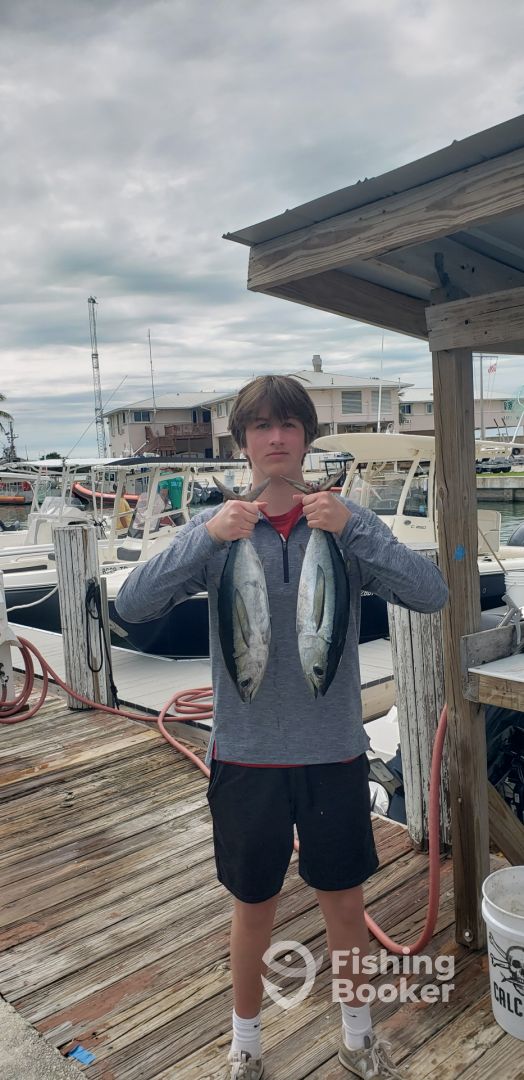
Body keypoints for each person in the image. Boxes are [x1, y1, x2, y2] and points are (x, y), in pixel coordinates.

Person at [115, 375, 448, 1080]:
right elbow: (133, 605)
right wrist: (205, 536)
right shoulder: (218, 530)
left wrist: (353, 527)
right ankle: (246, 1044)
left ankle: (357, 1036)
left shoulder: (345, 523)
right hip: (246, 755)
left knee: (345, 903)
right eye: (261, 427)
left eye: (288, 425)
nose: (275, 438)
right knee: (253, 907)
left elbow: (431, 593)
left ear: (306, 438)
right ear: (243, 441)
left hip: (333, 752)